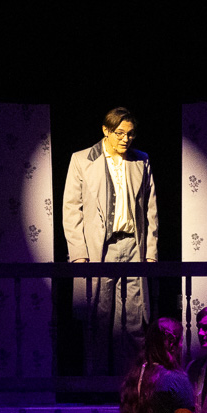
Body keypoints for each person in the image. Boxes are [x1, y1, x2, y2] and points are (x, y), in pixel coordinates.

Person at [63, 107, 159, 376]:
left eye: (130, 134)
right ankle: (96, 384)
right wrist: (79, 254)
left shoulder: (141, 160)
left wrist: (150, 253)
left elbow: (150, 210)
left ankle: (131, 382)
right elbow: (71, 210)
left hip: (133, 246)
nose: (126, 139)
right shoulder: (82, 159)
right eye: (119, 133)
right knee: (98, 318)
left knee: (134, 320)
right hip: (99, 249)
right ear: (106, 131)